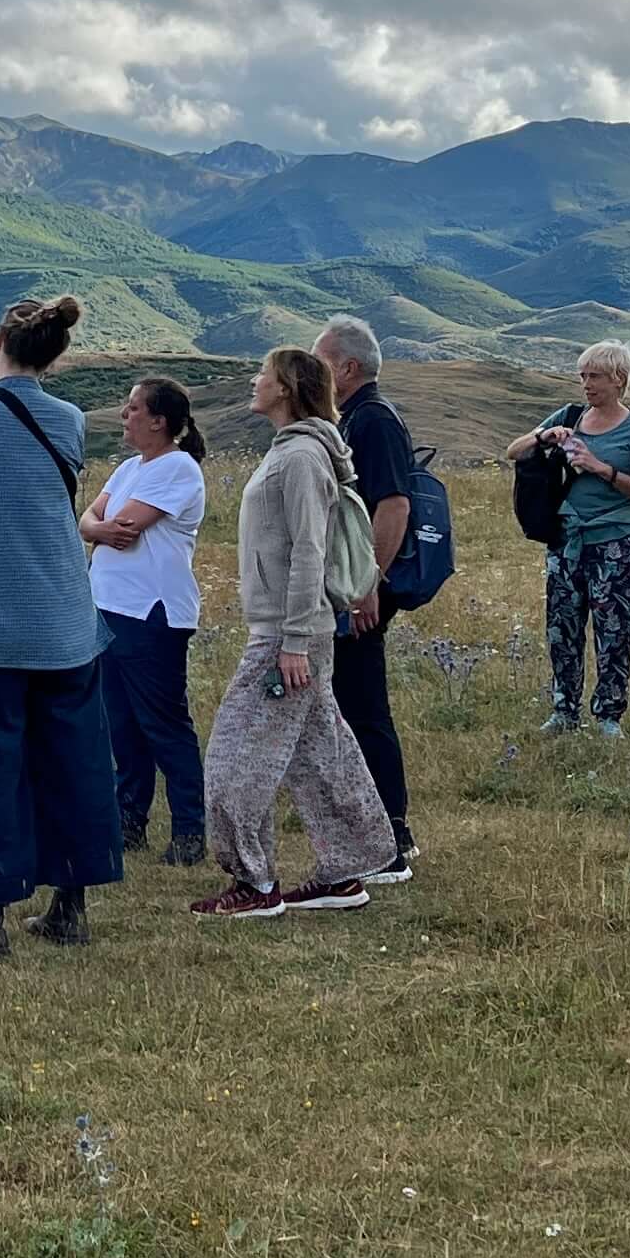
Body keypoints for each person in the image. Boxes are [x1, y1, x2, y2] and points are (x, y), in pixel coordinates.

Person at [0, 296, 121, 955]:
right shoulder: (66, 418)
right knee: (72, 763)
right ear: (55, 356)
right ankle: (70, 907)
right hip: (65, 621)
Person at [190, 347, 386, 920]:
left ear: (287, 388)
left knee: (232, 759)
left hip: (286, 635)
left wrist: (293, 641)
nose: (254, 380)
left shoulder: (299, 456)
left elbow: (309, 550)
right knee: (321, 755)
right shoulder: (296, 450)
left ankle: (254, 884)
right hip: (293, 630)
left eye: (263, 374)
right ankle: (345, 871)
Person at [311, 315, 419, 882]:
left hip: (362, 591)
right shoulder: (352, 417)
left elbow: (392, 506)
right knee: (351, 706)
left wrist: (364, 585)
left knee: (362, 707)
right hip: (354, 587)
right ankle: (379, 830)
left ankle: (389, 838)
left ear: (348, 368)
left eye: (321, 360)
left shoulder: (371, 421)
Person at [510, 341, 630, 738]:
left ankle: (609, 715)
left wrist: (601, 469)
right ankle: (564, 710)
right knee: (562, 627)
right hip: (567, 539)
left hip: (618, 540)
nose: (586, 384)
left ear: (619, 379)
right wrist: (544, 437)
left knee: (615, 630)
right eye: (582, 376)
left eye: (594, 376)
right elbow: (514, 450)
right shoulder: (570, 416)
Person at [89, 376, 210, 867]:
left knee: (164, 725)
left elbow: (128, 526)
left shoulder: (178, 467)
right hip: (109, 606)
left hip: (152, 612)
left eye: (134, 408)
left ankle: (189, 830)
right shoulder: (126, 468)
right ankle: (129, 819)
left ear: (159, 422)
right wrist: (97, 530)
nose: (125, 415)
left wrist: (97, 529)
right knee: (121, 724)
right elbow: (90, 521)